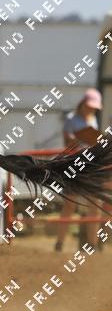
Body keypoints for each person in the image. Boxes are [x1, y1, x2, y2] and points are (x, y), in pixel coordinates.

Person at [55, 88, 102, 252]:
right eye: (90, 106)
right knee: (69, 205)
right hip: (75, 165)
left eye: (94, 107)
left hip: (90, 165)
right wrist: (79, 139)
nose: (92, 109)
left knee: (94, 204)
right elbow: (67, 142)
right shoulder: (71, 119)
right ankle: (60, 243)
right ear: (83, 104)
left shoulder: (93, 119)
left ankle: (93, 245)